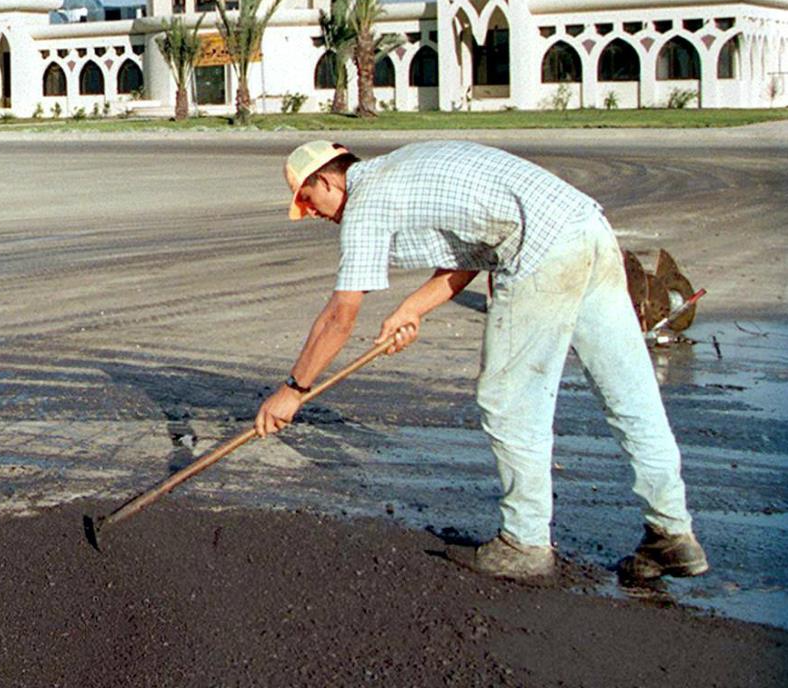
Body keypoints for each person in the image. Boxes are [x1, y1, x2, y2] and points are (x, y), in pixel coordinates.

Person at [255, 139, 707, 583]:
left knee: (510, 400)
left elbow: (340, 314)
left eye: (308, 199)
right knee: (631, 395)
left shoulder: (366, 200)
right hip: (587, 228)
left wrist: (294, 390)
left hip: (539, 251)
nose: (313, 213)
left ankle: (525, 542)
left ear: (328, 180)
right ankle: (672, 533)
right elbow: (472, 254)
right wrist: (412, 308)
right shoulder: (403, 169)